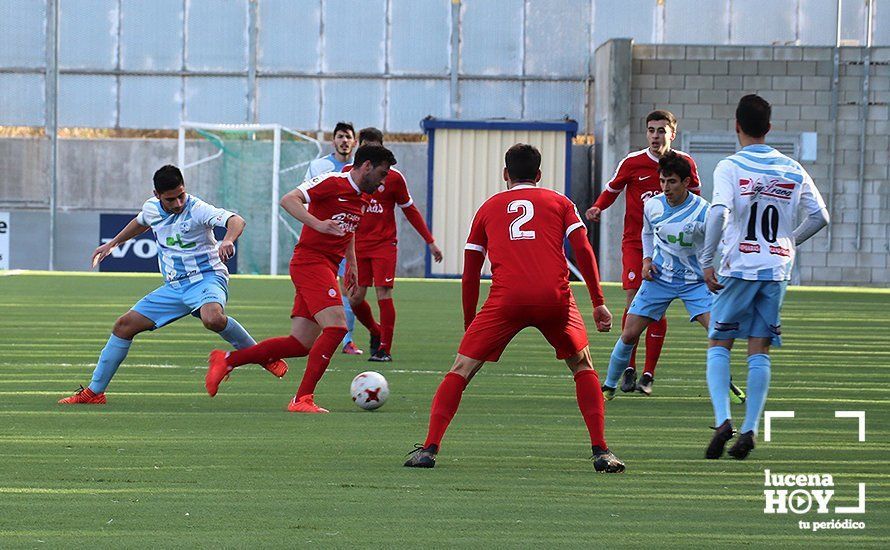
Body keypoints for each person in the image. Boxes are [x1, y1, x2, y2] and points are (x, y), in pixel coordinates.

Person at [404, 144, 624, 473]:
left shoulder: (488, 207)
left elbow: (470, 268)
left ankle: (430, 448)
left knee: (461, 368)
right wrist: (598, 303)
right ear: (538, 175)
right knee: (582, 365)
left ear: (505, 175)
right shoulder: (561, 202)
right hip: (554, 298)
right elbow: (583, 249)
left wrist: (470, 321)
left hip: (507, 299)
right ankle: (601, 451)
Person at [58, 165, 286, 404]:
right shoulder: (151, 208)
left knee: (213, 318)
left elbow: (236, 220)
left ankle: (265, 357)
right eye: (171, 199)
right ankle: (94, 393)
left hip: (206, 278)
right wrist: (112, 243)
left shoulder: (197, 209)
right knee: (123, 326)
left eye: (181, 195)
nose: (178, 203)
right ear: (157, 195)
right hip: (174, 288)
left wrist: (228, 240)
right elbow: (141, 222)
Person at [206, 145, 398, 413]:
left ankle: (226, 359)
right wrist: (317, 224)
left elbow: (349, 229)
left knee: (299, 343)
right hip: (310, 262)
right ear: (366, 166)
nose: (383, 182)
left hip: (328, 266)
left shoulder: (364, 197)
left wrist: (351, 263)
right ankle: (302, 399)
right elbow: (288, 199)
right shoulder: (333, 182)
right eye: (382, 173)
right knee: (337, 328)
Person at [700, 94, 829, 460]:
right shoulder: (792, 168)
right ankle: (751, 428)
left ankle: (723, 420)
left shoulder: (730, 167)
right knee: (760, 348)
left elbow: (720, 213)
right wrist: (788, 242)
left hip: (739, 266)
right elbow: (821, 217)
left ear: (736, 125)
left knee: (719, 343)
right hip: (776, 270)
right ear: (769, 128)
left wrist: (708, 259)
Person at [585, 110, 700, 395]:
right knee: (635, 299)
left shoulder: (684, 164)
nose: (655, 135)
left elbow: (697, 200)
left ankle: (649, 373)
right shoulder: (633, 162)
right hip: (636, 243)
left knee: (657, 307)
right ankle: (629, 368)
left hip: (672, 246)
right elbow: (612, 189)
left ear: (672, 133)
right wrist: (599, 206)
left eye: (661, 130)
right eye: (651, 130)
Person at [345, 127, 443, 362]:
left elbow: (410, 210)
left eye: (375, 148)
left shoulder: (394, 178)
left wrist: (430, 241)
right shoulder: (348, 174)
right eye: (365, 147)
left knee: (383, 293)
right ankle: (376, 331)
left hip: (384, 244)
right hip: (357, 246)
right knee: (354, 298)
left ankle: (384, 349)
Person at [304, 121, 363, 355]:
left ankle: (347, 340)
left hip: (347, 237)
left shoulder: (360, 169)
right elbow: (303, 197)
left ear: (355, 142)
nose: (344, 141)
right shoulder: (319, 166)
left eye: (348, 137)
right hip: (320, 239)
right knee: (320, 290)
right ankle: (309, 336)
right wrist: (317, 225)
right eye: (340, 136)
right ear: (333, 140)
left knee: (349, 289)